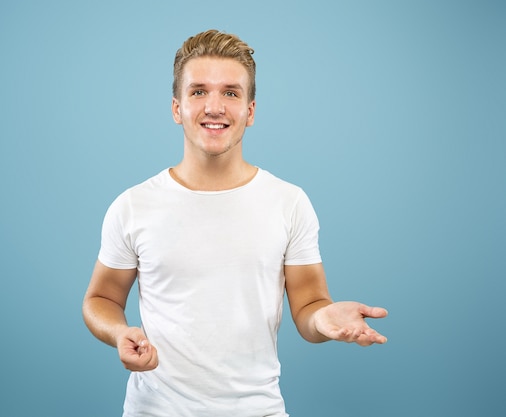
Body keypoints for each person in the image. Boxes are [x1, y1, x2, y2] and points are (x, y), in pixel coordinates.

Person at [82, 29, 388, 417]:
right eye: (198, 92)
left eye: (230, 92)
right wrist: (119, 332)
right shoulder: (133, 206)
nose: (214, 107)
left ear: (250, 110)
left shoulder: (289, 202)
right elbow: (101, 299)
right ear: (176, 108)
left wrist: (324, 318)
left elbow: (309, 305)